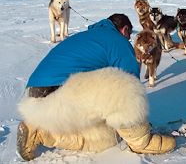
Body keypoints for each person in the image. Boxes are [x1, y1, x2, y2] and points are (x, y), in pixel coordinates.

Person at [17, 13, 176, 161]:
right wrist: (139, 123)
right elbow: (130, 83)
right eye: (128, 35)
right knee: (123, 85)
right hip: (59, 93)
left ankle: (39, 133)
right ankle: (142, 142)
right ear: (124, 29)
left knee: (109, 137)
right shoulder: (117, 40)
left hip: (37, 104)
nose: (128, 39)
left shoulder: (87, 37)